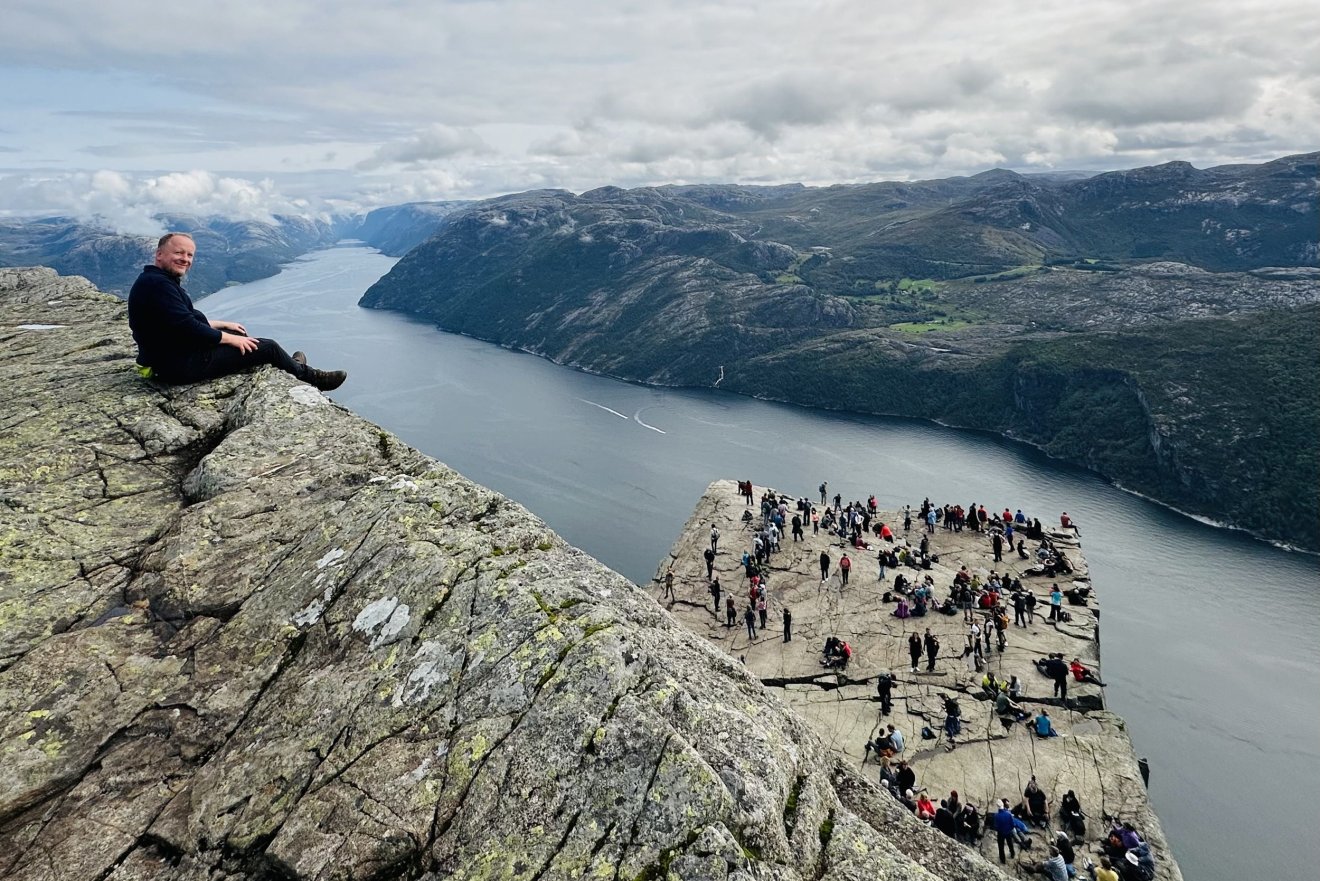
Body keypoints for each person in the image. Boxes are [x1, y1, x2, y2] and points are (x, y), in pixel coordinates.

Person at [128, 233, 346, 390]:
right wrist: (230, 339)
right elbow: (187, 326)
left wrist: (223, 325)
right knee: (267, 347)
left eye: (190, 255)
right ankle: (310, 377)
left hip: (170, 359)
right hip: (178, 367)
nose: (185, 259)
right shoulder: (159, 285)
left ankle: (290, 366)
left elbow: (181, 319)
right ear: (159, 255)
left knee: (243, 340)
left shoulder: (156, 281)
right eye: (178, 253)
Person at [994, 799, 1018, 864]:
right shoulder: (1008, 814)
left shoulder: (996, 816)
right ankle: (1012, 854)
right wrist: (1009, 829)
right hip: (1008, 832)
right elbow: (1012, 824)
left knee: (1001, 847)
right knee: (1010, 844)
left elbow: (995, 826)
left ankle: (1003, 860)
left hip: (1000, 833)